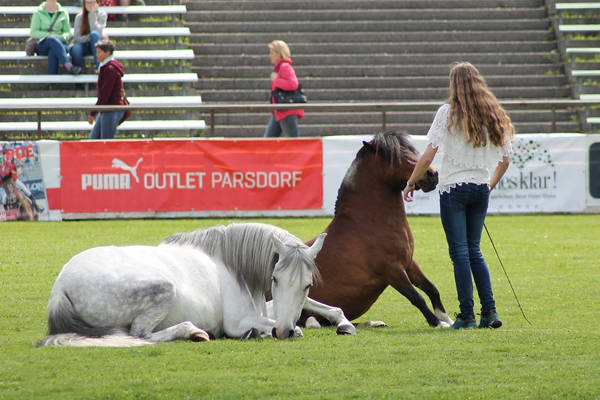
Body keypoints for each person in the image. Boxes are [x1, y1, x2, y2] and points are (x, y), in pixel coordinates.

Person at [402, 62, 514, 330]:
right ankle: (490, 312)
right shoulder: (492, 114)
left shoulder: (447, 113)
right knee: (475, 250)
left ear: (454, 85)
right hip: (479, 187)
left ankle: (467, 315)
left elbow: (429, 153)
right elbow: (505, 160)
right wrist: (489, 184)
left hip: (453, 188)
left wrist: (411, 182)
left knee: (460, 253)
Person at [264, 40, 304, 137]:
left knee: (293, 142)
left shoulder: (285, 67)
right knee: (268, 142)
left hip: (286, 110)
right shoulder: (280, 68)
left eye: (272, 53)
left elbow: (293, 84)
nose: (270, 56)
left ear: (279, 53)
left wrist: (276, 80)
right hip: (279, 110)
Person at [29, 0, 81, 75]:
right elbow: (34, 32)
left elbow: (68, 33)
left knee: (53, 50)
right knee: (51, 40)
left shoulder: (63, 12)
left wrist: (60, 37)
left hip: (61, 44)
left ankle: (51, 82)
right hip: (43, 44)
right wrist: (49, 35)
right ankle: (69, 65)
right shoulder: (38, 12)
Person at [88, 39, 126, 139]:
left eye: (99, 52)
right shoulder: (106, 67)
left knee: (105, 142)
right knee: (94, 141)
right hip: (107, 109)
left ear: (107, 53)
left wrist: (93, 113)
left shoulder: (109, 69)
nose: (97, 55)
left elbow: (105, 94)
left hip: (111, 109)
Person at [71, 0, 107, 72]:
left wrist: (92, 14)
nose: (90, 5)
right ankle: (79, 73)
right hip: (83, 46)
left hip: (97, 45)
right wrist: (90, 37)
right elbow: (77, 38)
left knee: (94, 35)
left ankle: (99, 68)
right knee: (76, 49)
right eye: (88, 3)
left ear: (97, 3)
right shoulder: (79, 17)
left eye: (93, 2)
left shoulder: (102, 15)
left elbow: (98, 32)